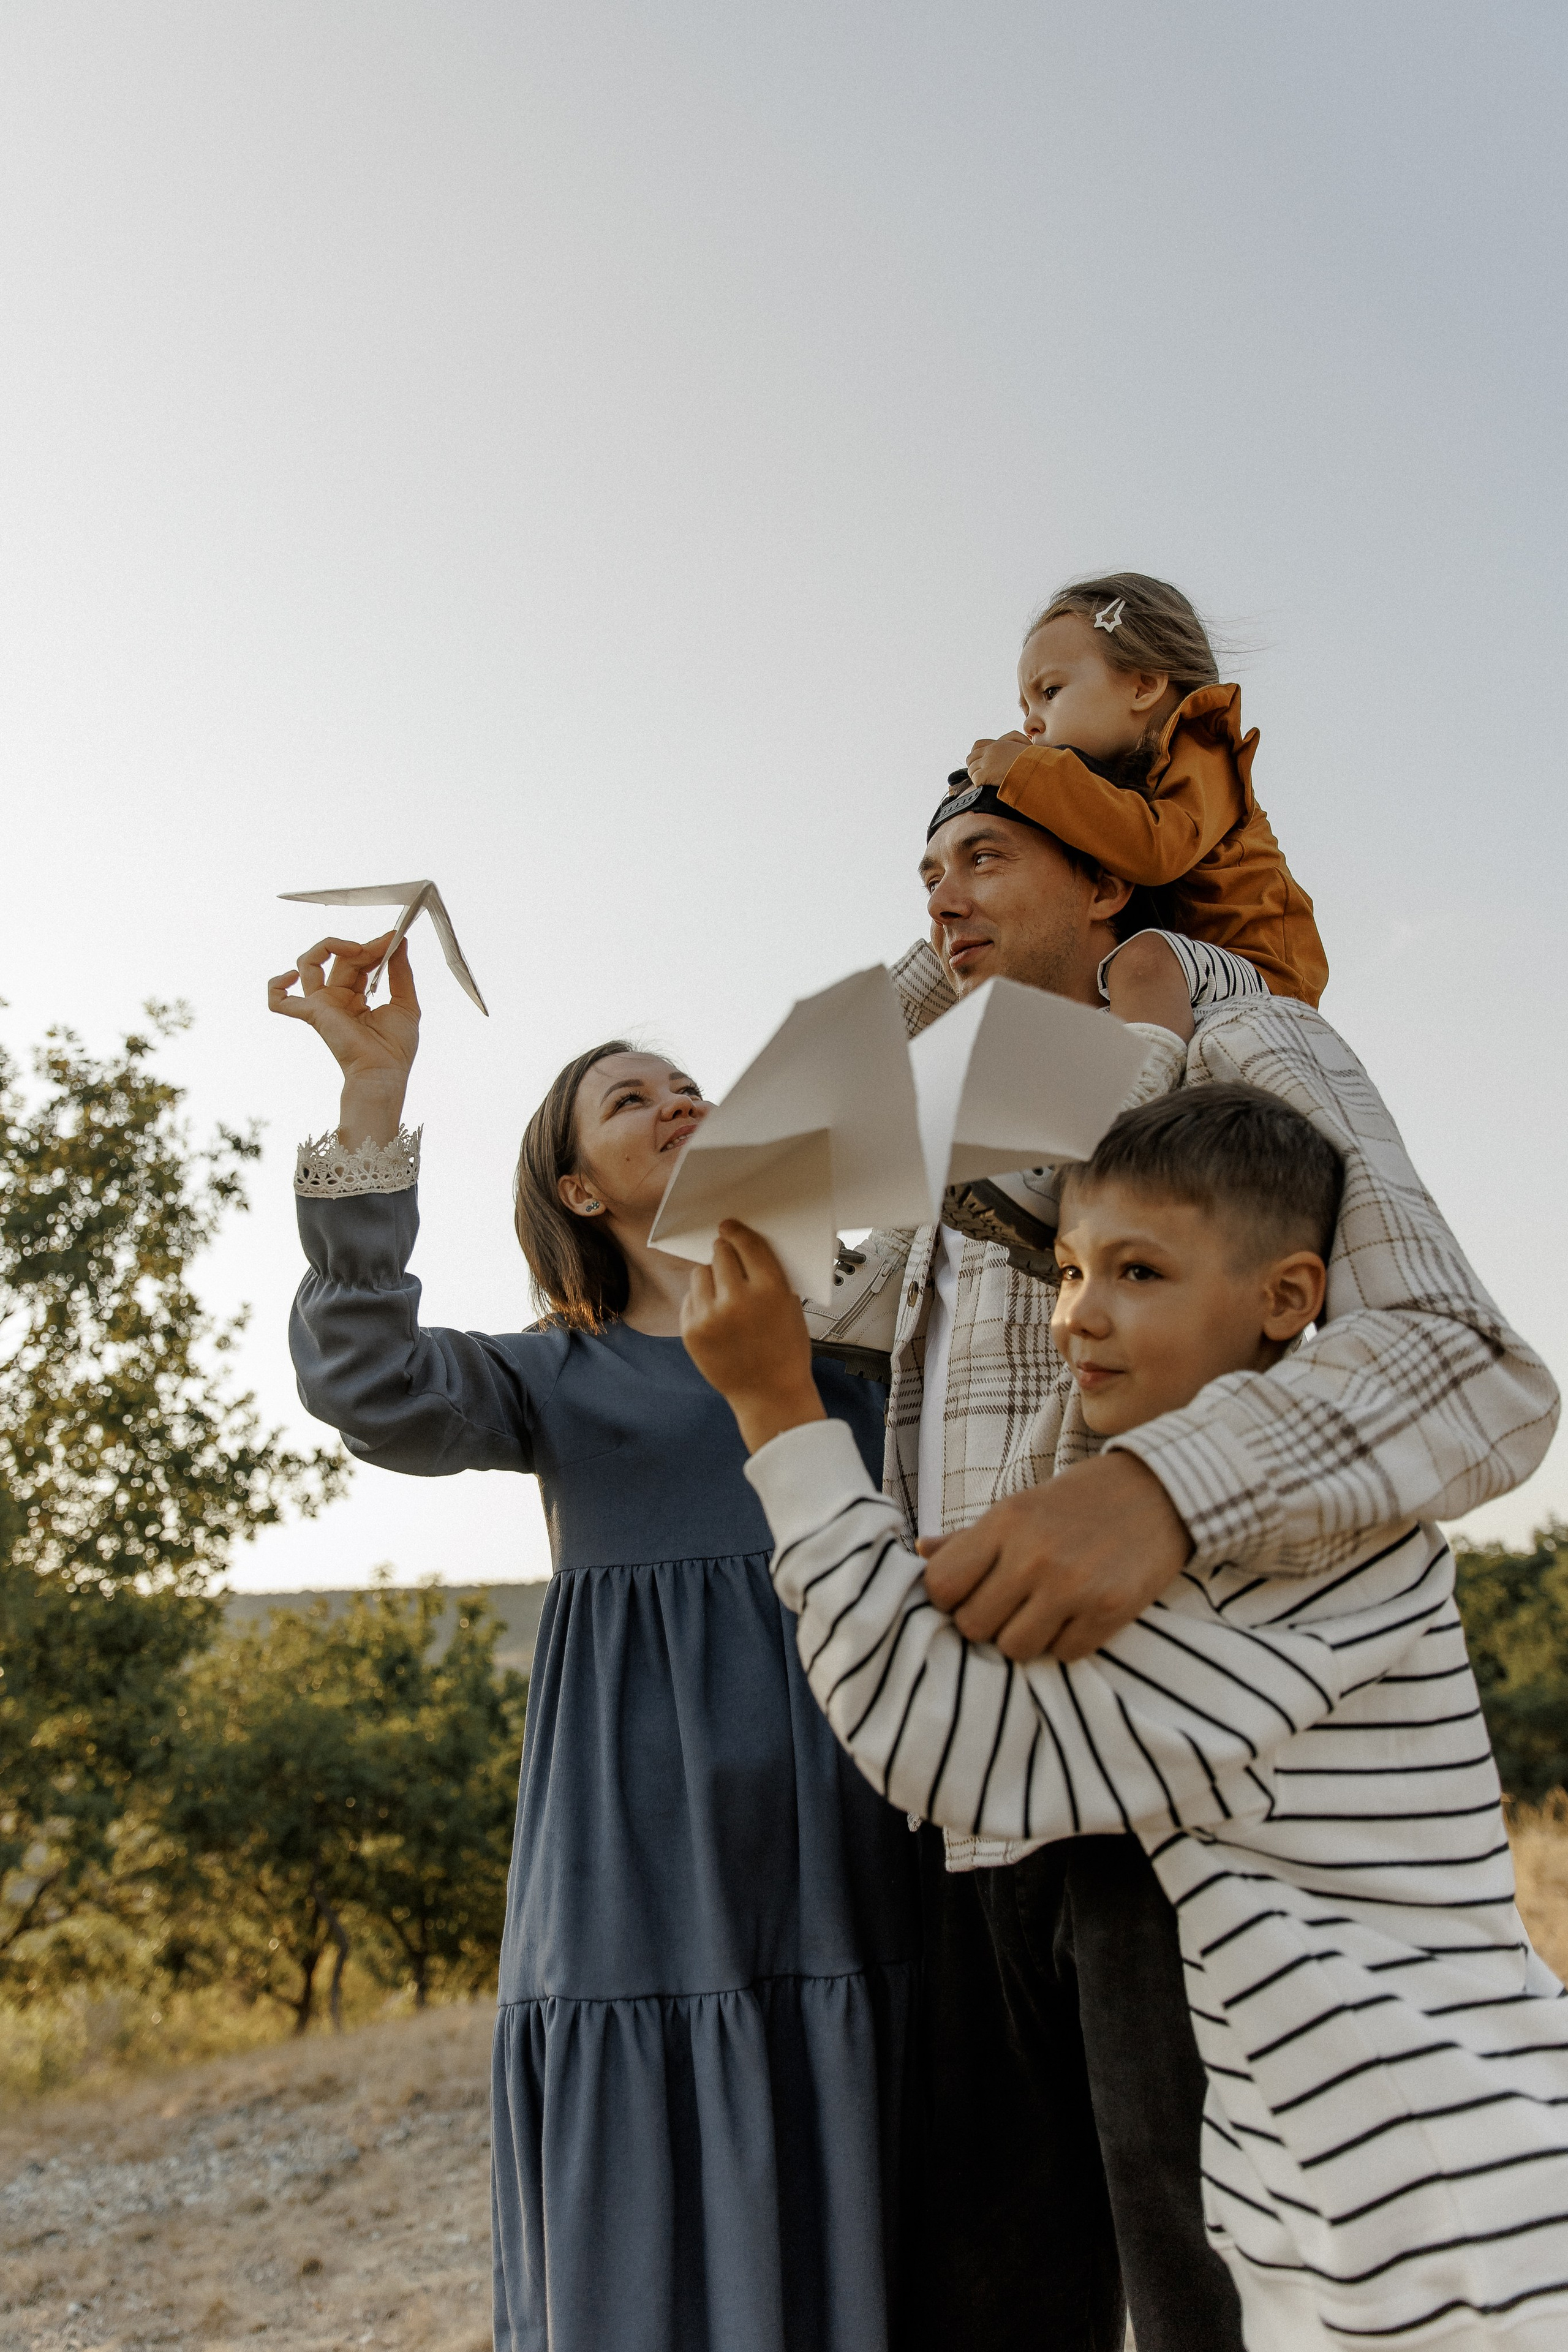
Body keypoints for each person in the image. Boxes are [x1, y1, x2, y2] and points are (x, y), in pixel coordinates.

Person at [711, 771, 1559, 2352]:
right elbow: (767, 1249)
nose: (941, 899)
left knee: (1192, 2281)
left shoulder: (1245, 1054)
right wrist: (935, 967)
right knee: (1004, 2280)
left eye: (986, 856)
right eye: (923, 872)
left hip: (1137, 1790)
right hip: (969, 1805)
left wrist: (1160, 1489)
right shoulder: (960, 1135)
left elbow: (1460, 1359)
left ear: (1112, 879)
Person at [267, 932, 924, 2352]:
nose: (676, 1100)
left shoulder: (870, 1349)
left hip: (863, 1824)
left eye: (689, 1083)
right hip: (644, 1851)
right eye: (629, 1100)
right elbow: (367, 1379)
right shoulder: (557, 1374)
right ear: (576, 1187)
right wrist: (374, 1096)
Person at [961, 569, 1327, 1005]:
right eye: (1026, 706)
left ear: (1144, 686)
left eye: (1051, 691)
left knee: (1142, 959)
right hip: (1183, 975)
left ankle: (1145, 1074)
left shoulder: (1203, 747)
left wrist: (1026, 773)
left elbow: (1158, 850)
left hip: (1263, 976)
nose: (1031, 722)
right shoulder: (1102, 793)